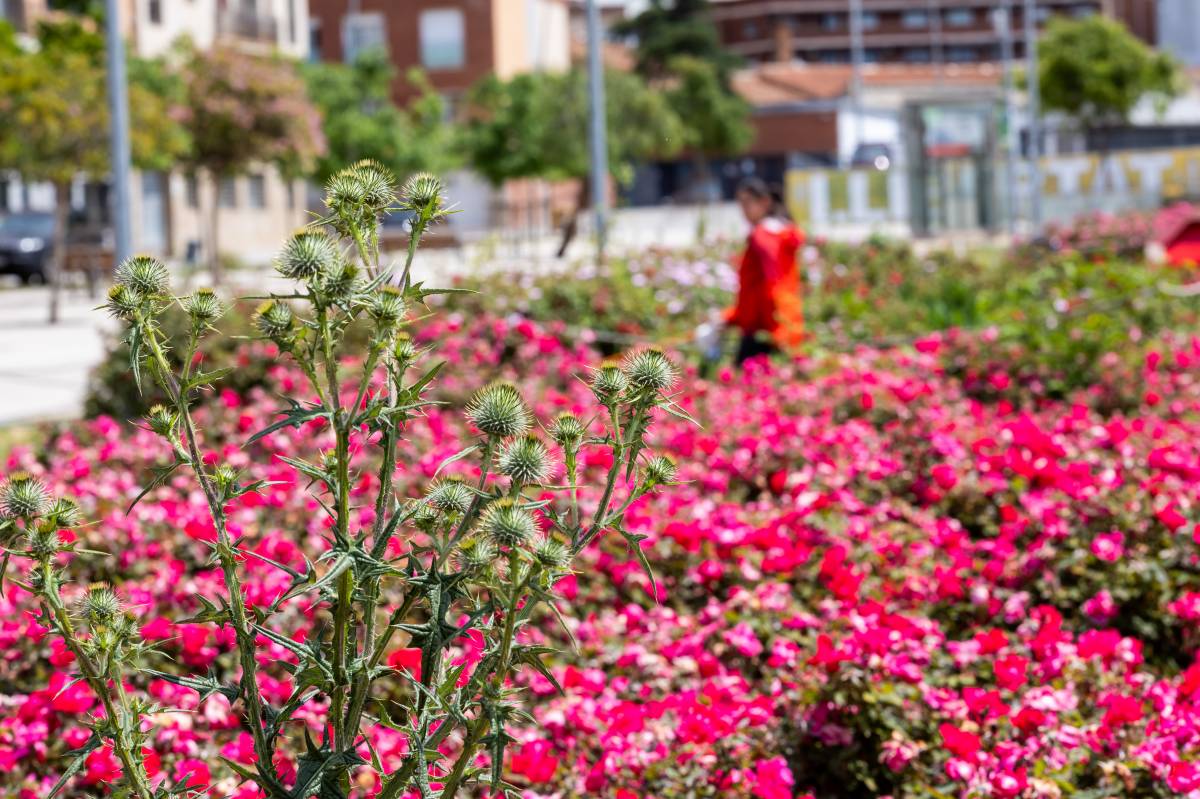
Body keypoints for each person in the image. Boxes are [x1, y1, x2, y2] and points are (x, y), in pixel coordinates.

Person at [724, 177, 805, 365]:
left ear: (765, 202)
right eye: (741, 204)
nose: (743, 210)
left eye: (747, 203)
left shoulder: (762, 234)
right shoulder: (782, 230)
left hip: (763, 322)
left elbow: (771, 281)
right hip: (784, 317)